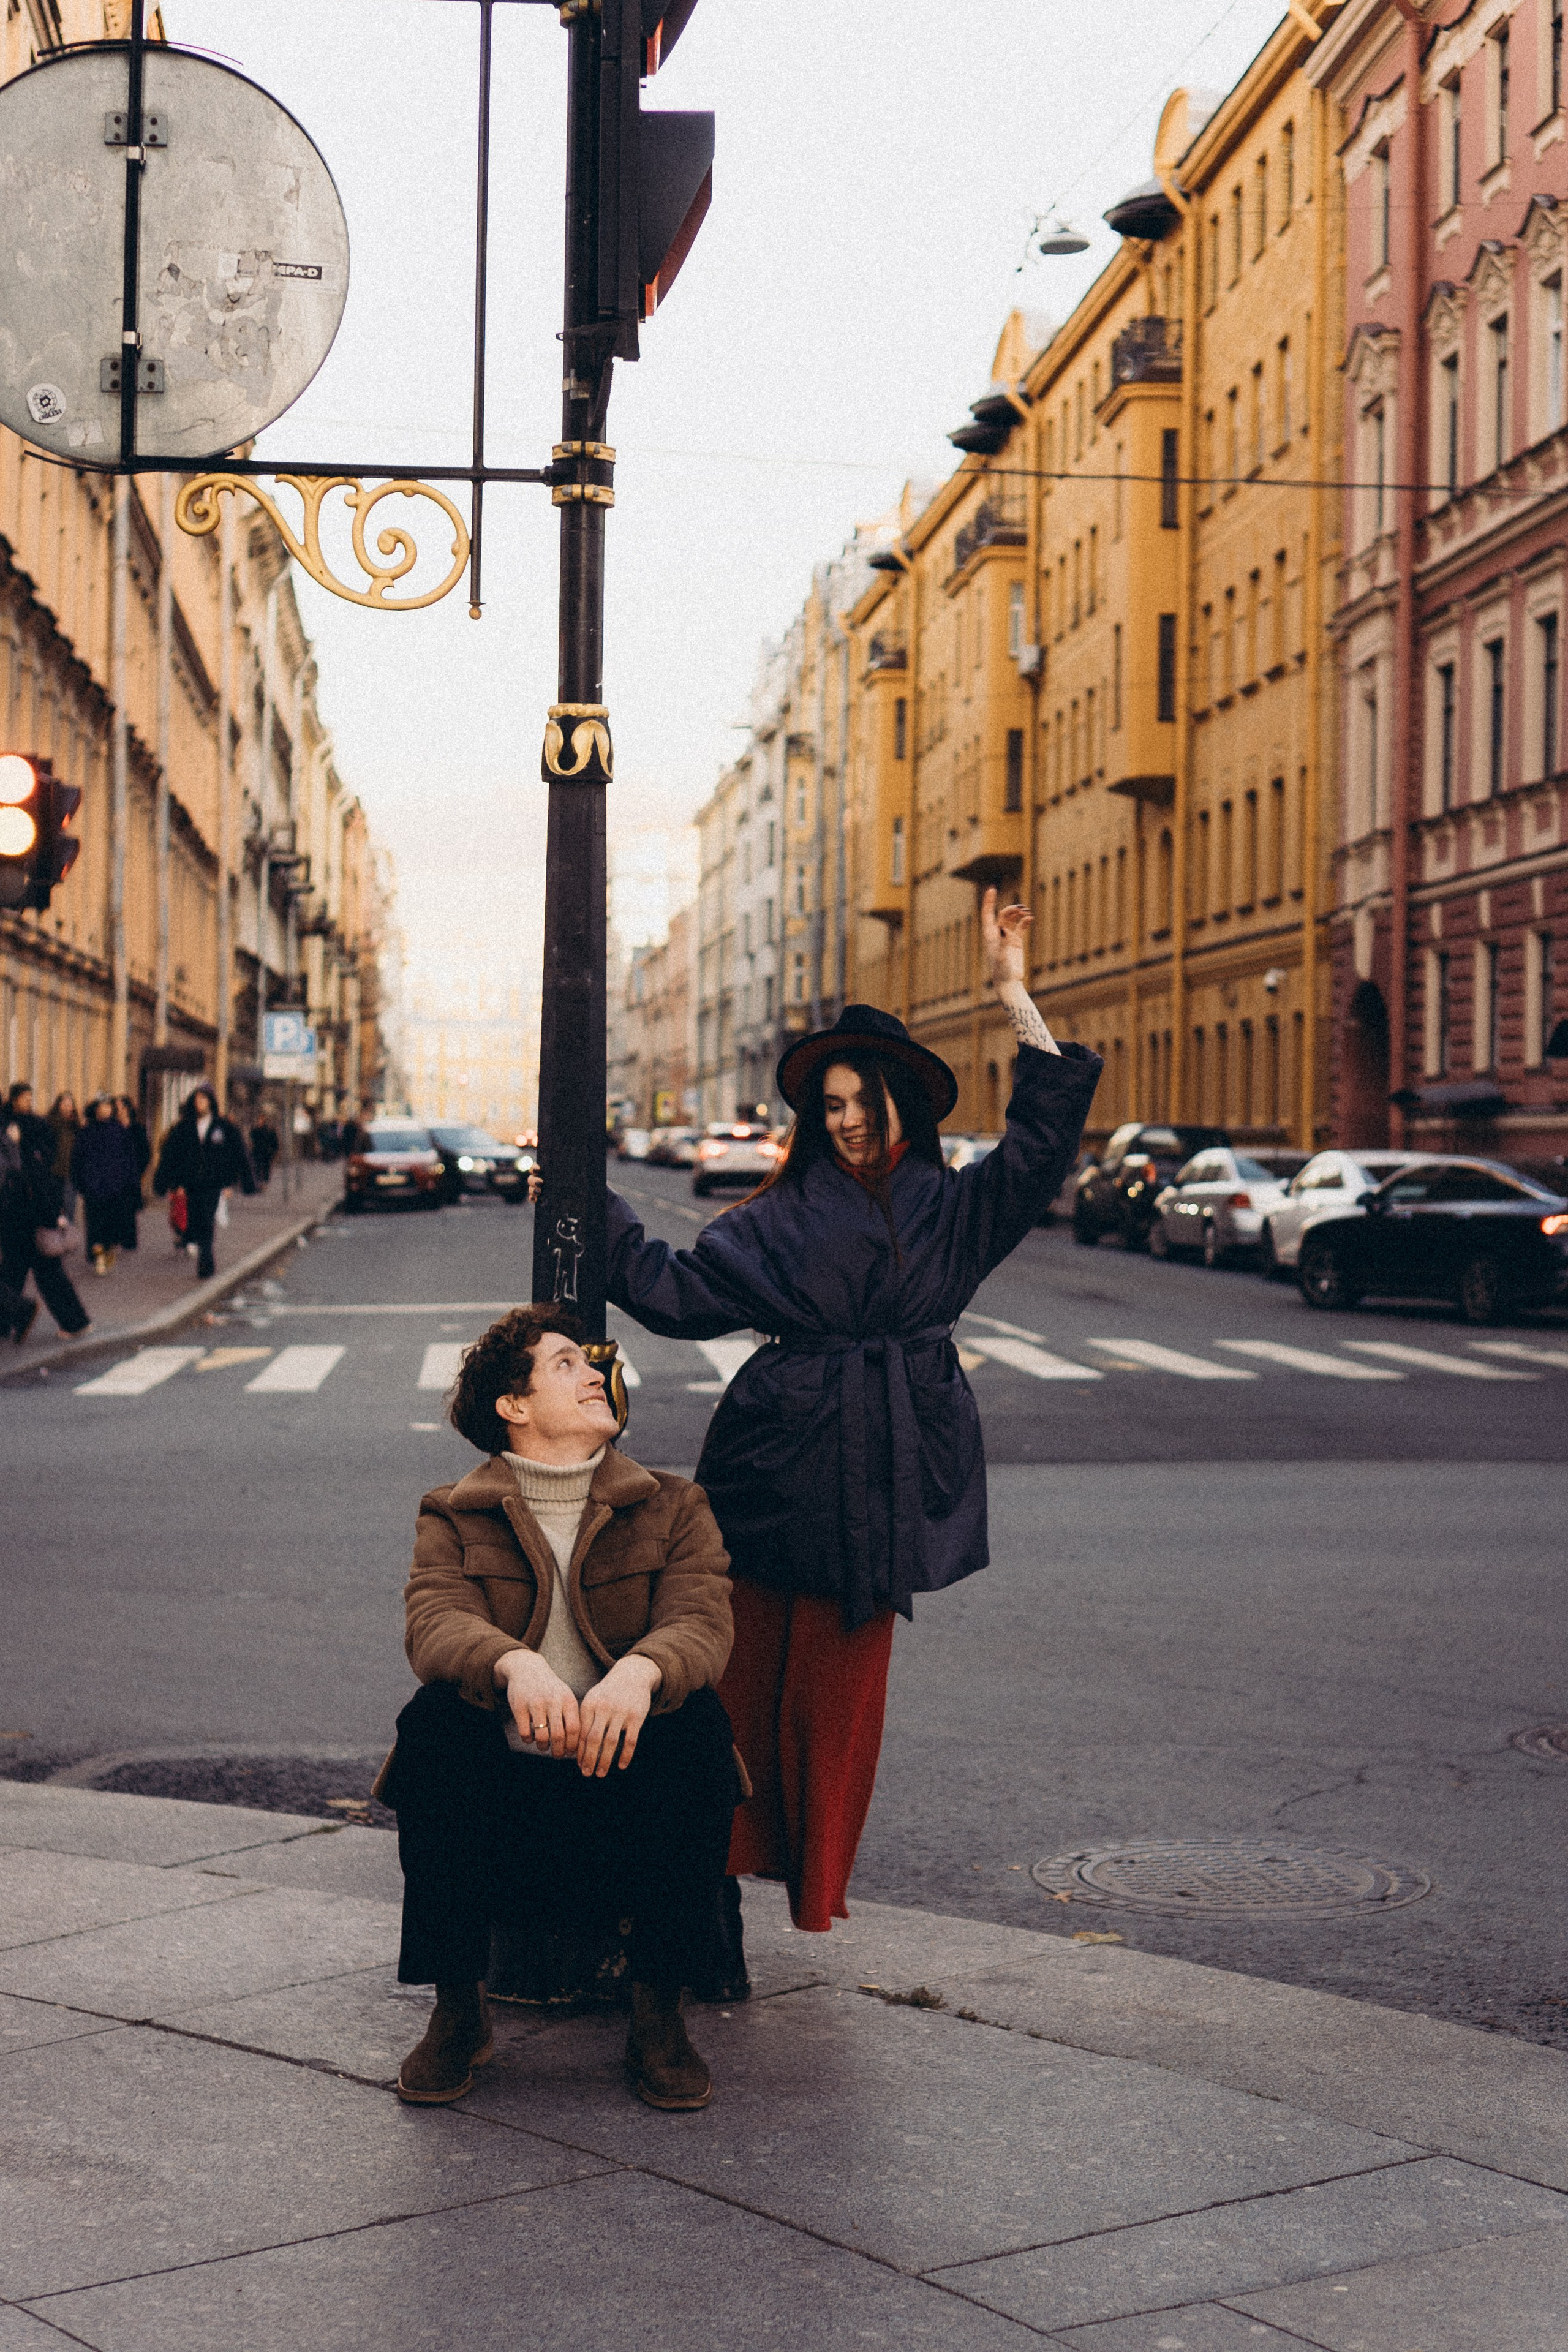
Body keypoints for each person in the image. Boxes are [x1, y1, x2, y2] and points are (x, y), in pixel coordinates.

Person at [603, 889, 1101, 1958]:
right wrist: (583, 1202)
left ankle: (803, 1881)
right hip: (770, 1469)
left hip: (884, 1475)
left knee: (834, 1711)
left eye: (861, 1099)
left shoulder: (955, 1204)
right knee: (728, 1694)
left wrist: (1013, 994)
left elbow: (1042, 1142)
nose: (844, 1119)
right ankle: (706, 1907)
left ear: (901, 1104)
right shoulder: (778, 1219)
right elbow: (674, 1295)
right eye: (827, 1105)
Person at [379, 1305, 739, 2112]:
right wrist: (514, 1664)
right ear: (513, 1406)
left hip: (629, 1755)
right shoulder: (452, 1511)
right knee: (432, 1728)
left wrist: (641, 1672)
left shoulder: (673, 1505)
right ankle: (459, 2012)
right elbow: (435, 1618)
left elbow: (702, 1619)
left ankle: (658, 2017)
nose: (594, 1375)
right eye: (568, 1364)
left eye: (592, 1364)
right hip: (512, 1765)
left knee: (701, 1734)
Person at [1, 1084, 89, 1338]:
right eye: (24, 1097)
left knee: (41, 1270)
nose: (28, 1101)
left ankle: (74, 1322)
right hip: (23, 1211)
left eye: (30, 1097)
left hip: (25, 1211)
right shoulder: (10, 1125)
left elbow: (28, 1171)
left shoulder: (28, 1127)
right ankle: (12, 1320)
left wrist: (52, 1213)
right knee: (15, 1270)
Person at [151, 1085, 255, 1280]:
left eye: (204, 1099)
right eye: (197, 1100)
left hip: (213, 1184)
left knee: (207, 1219)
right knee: (194, 1220)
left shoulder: (223, 1128)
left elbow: (239, 1154)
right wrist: (169, 1183)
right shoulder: (184, 1128)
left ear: (211, 1102)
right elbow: (171, 1156)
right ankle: (197, 1246)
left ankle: (206, 1260)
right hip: (190, 1184)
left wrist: (239, 1182)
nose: (200, 1103)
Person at [72, 1098, 142, 1274]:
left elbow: (129, 1160)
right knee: (95, 1225)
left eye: (108, 1107)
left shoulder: (120, 1131)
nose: (105, 1110)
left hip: (116, 1189)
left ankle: (106, 1250)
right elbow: (77, 1161)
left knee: (112, 1225)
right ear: (95, 1109)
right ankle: (98, 1255)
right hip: (94, 1189)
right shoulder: (86, 1133)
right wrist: (81, 1183)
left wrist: (131, 1183)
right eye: (102, 1107)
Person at [48, 1091, 81, 1221]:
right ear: (59, 1105)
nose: (68, 1107)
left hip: (71, 1173)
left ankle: (68, 1238)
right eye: (65, 1104)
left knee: (69, 1209)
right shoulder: (52, 1123)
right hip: (55, 1171)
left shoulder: (75, 1126)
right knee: (55, 1208)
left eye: (70, 1104)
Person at [249, 1114, 281, 1186]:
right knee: (257, 1168)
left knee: (266, 1168)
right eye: (258, 1120)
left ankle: (264, 1183)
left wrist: (274, 1152)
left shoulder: (269, 1130)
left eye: (260, 1120)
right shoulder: (255, 1131)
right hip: (257, 1152)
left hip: (266, 1153)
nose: (258, 1122)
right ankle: (259, 1183)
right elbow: (252, 1140)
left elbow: (274, 1142)